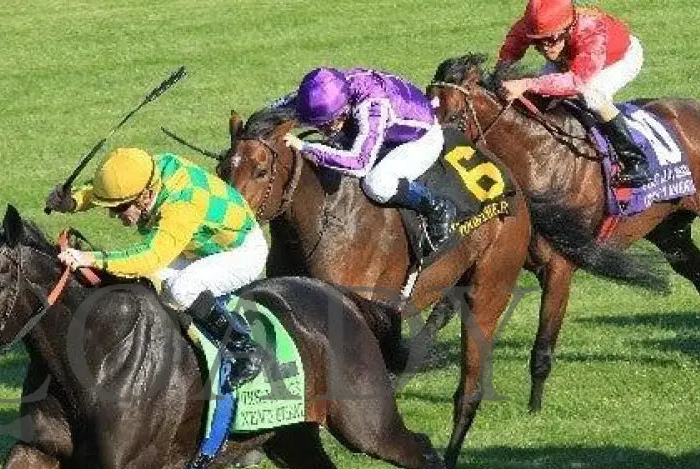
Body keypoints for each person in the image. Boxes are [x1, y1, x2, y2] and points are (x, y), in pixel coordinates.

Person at [44, 147, 268, 388]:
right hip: (198, 247)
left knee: (181, 289)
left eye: (119, 209)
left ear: (145, 197)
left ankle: (245, 349)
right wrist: (73, 200)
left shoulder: (181, 204)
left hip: (241, 252)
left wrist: (91, 258)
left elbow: (149, 258)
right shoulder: (145, 172)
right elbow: (106, 188)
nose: (112, 216)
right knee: (147, 285)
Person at [279, 66, 457, 246]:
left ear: (344, 107)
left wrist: (306, 147)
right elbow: (277, 109)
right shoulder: (328, 89)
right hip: (390, 127)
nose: (323, 130)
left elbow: (360, 164)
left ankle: (437, 207)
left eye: (327, 124)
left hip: (422, 139)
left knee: (377, 184)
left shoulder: (372, 106)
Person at [495, 0, 650, 187]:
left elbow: (576, 82)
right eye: (537, 41)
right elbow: (511, 49)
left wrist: (527, 83)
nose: (544, 47)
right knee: (540, 97)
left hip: (617, 60)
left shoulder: (591, 30)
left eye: (551, 39)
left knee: (592, 95)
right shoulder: (530, 25)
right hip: (570, 60)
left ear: (568, 28)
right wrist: (498, 77)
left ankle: (635, 161)